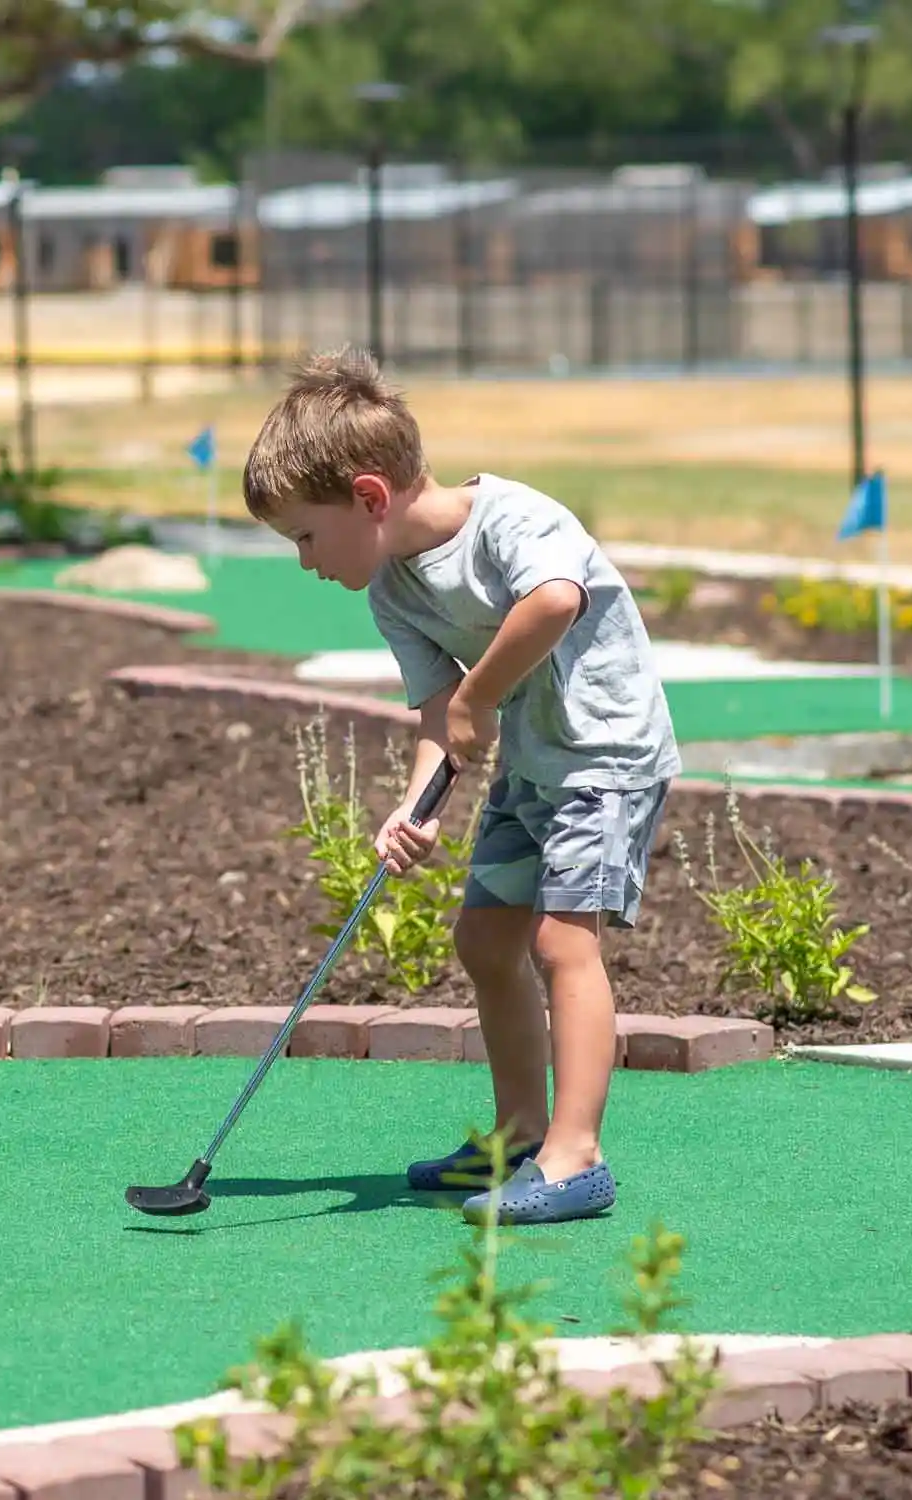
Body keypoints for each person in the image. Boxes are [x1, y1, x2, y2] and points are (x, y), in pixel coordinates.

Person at [241, 348, 678, 1225]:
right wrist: (415, 805)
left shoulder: (514, 518)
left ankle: (575, 1155)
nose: (303, 560)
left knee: (562, 944)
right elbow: (441, 715)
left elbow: (555, 603)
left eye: (304, 536)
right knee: (484, 941)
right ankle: (517, 1135)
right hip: (532, 763)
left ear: (369, 498)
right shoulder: (393, 591)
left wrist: (482, 697)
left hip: (607, 755)